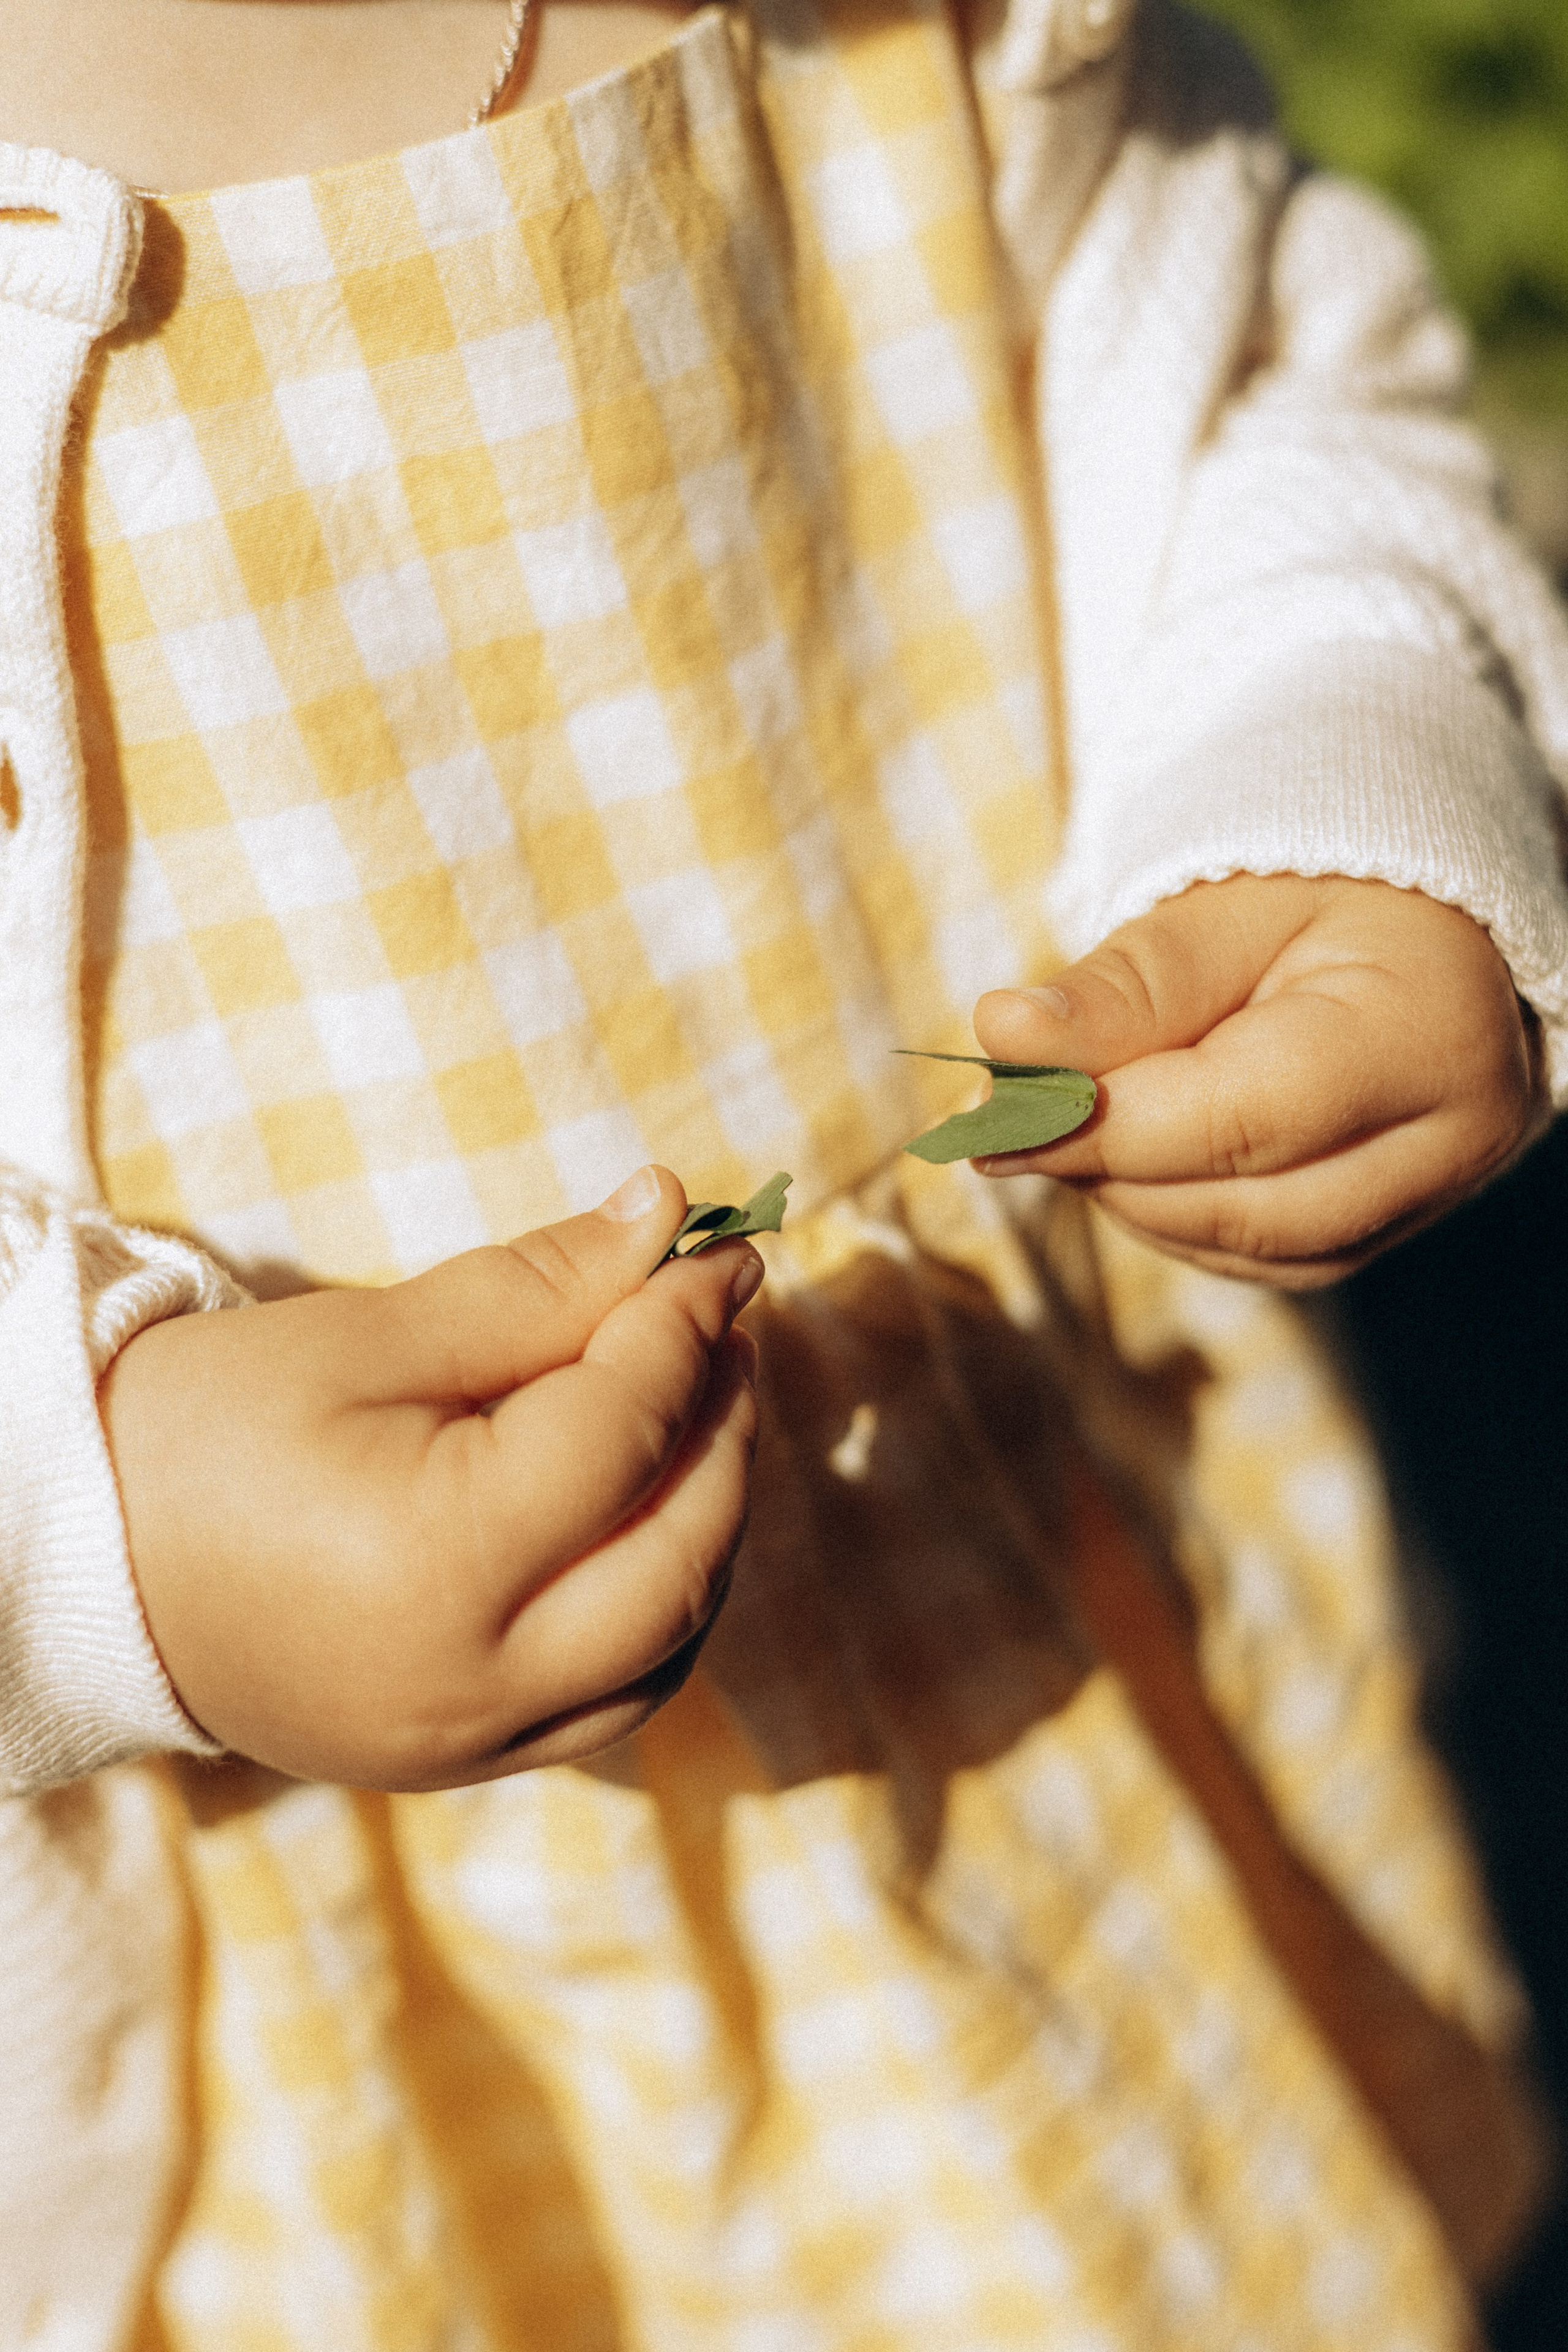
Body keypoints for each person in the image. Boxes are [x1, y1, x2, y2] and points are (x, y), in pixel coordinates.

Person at [1, 0, 1566, 2344]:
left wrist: (1342, 756)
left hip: (1041, 1650)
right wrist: (100, 1541)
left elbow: (1249, 347)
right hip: (336, 2031)